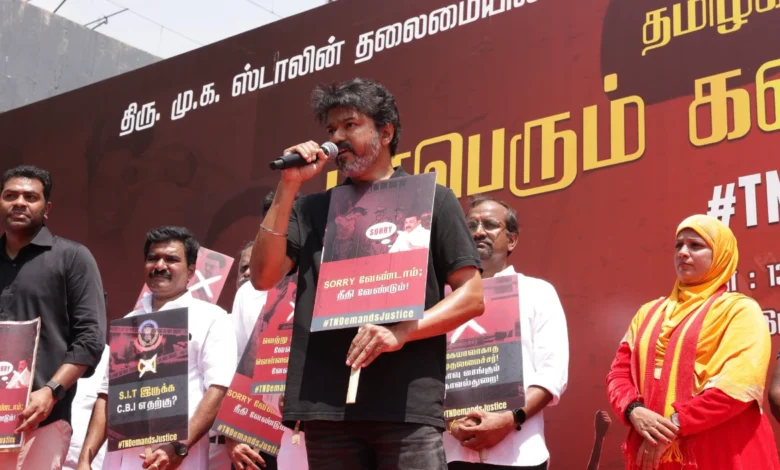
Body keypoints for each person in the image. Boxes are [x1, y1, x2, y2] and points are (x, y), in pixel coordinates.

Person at [250, 77, 485, 469]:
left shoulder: (433, 199)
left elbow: (472, 297)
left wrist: (401, 332)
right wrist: (288, 186)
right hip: (326, 408)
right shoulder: (311, 210)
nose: (337, 138)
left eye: (350, 125)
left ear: (386, 132)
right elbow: (262, 276)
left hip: (406, 407)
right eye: (331, 130)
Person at [605, 214, 780, 469]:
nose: (683, 253)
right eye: (679, 245)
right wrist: (634, 411)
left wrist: (673, 425)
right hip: (653, 452)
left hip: (721, 453)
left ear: (720, 255)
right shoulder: (648, 313)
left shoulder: (740, 311)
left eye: (695, 246)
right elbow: (618, 374)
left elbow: (738, 387)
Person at [76, 226, 237, 470]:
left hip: (178, 459)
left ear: (191, 271)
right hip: (121, 460)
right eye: (153, 258)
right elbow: (107, 395)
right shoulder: (129, 322)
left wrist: (179, 447)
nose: (160, 266)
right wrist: (85, 459)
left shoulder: (212, 318)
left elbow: (218, 389)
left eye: (171, 259)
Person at [445, 196, 569, 470]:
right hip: (449, 454)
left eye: (490, 225)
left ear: (511, 240)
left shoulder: (538, 292)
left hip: (520, 454)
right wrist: (451, 424)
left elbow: (552, 373)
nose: (478, 232)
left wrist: (510, 418)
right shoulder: (441, 301)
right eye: (471, 226)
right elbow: (426, 379)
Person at [0, 165, 106, 470]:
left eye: (30, 197)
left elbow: (89, 339)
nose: (19, 202)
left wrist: (51, 391)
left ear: (46, 209)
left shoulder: (72, 258)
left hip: (40, 420)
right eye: (10, 195)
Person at [225, 189, 306, 470]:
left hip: (313, 427)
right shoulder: (248, 292)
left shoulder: (325, 279)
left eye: (291, 220)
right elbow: (238, 362)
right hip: (257, 432)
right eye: (275, 221)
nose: (284, 229)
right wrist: (232, 431)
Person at [64, 347, 111, 470]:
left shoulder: (112, 355)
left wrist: (85, 461)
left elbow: (106, 402)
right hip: (48, 459)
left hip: (94, 464)